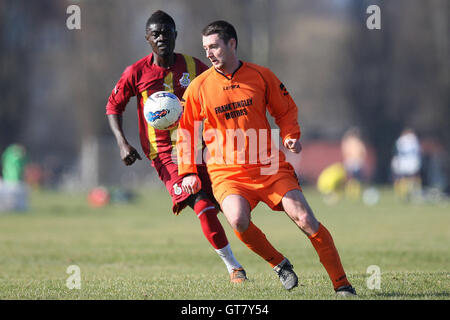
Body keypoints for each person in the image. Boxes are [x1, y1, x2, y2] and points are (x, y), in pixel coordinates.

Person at [177, 20, 356, 296]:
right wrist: (188, 171)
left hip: (268, 164)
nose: (208, 53)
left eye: (214, 46)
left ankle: (342, 284)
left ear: (231, 44)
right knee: (237, 219)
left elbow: (285, 110)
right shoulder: (199, 87)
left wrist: (289, 135)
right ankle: (279, 264)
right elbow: (187, 130)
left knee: (305, 218)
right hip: (227, 172)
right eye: (205, 48)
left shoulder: (261, 75)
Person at [105, 11, 246, 283]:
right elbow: (113, 106)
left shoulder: (194, 67)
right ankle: (234, 268)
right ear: (147, 38)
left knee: (229, 203)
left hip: (200, 147)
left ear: (175, 34)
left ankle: (275, 261)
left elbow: (218, 93)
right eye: (155, 34)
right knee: (201, 204)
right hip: (164, 155)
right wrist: (123, 143)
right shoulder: (136, 73)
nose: (162, 38)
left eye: (166, 32)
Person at [391, 128, 422, 201]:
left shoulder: (400, 140)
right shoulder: (414, 139)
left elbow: (396, 152)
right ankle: (415, 193)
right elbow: (418, 151)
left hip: (403, 161)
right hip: (413, 161)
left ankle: (402, 194)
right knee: (414, 177)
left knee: (402, 178)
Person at [341, 127, 367, 200]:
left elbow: (345, 151)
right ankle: (354, 193)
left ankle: (352, 193)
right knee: (356, 178)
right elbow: (363, 151)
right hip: (356, 161)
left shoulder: (347, 142)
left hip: (349, 161)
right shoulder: (357, 142)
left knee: (352, 178)